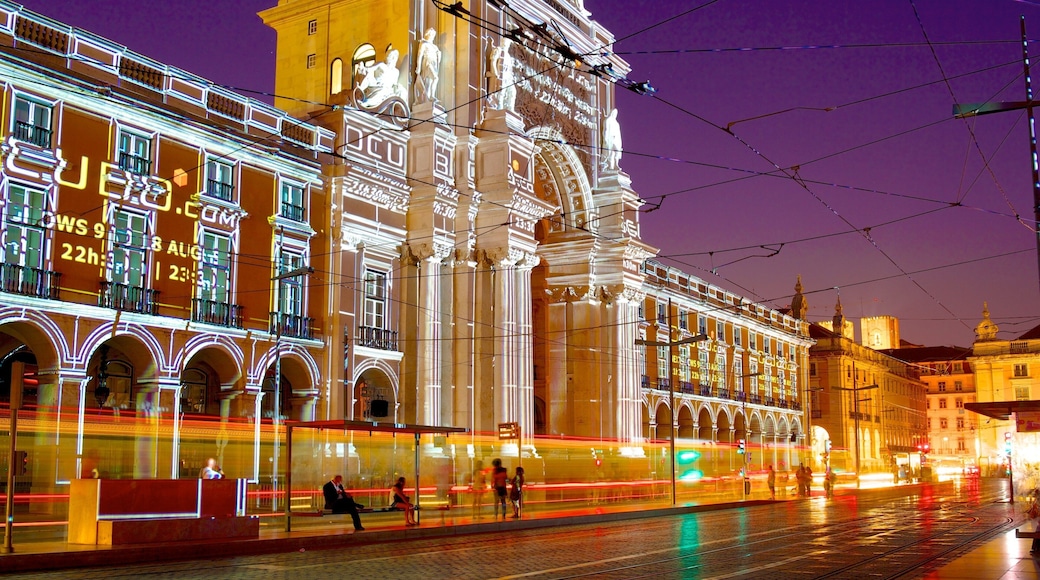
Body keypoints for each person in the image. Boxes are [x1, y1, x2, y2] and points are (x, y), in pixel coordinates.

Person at [487, 39, 516, 112]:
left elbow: (509, 70)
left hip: (507, 78)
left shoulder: (508, 56)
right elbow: (493, 60)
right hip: (500, 76)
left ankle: (510, 109)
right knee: (500, 93)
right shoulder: (498, 50)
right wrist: (495, 72)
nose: (506, 45)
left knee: (513, 91)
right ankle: (499, 107)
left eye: (507, 43)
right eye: (505, 42)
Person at [414, 27, 441, 105]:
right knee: (435, 78)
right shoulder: (424, 43)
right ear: (427, 34)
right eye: (431, 34)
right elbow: (420, 55)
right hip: (427, 63)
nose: (432, 36)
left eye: (433, 35)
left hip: (434, 64)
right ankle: (431, 96)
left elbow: (438, 59)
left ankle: (428, 97)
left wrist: (439, 55)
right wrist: (418, 67)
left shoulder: (435, 47)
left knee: (430, 81)